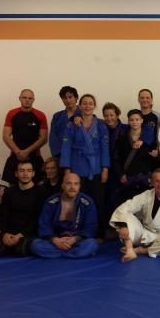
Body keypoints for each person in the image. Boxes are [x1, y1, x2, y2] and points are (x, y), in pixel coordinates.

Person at [110, 167, 160, 263]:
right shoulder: (147, 195)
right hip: (143, 232)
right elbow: (127, 206)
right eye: (157, 181)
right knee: (126, 216)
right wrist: (123, 225)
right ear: (152, 182)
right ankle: (129, 250)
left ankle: (140, 250)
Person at [60, 94, 110, 235]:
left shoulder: (101, 125)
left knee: (98, 201)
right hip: (77, 168)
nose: (88, 106)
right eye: (85, 103)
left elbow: (105, 148)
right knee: (77, 201)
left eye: (90, 103)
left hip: (96, 168)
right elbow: (66, 148)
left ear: (94, 106)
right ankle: (78, 231)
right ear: (80, 106)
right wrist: (67, 169)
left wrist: (105, 168)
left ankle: (98, 233)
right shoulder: (71, 125)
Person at [31, 172, 99, 259]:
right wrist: (55, 240)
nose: (72, 187)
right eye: (69, 183)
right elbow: (44, 224)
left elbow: (91, 227)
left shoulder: (87, 202)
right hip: (56, 240)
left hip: (77, 240)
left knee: (92, 244)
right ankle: (73, 253)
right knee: (35, 245)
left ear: (79, 186)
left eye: (76, 184)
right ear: (62, 185)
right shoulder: (51, 202)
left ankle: (59, 253)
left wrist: (74, 239)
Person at [0, 160, 47, 258]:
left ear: (33, 173)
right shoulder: (9, 192)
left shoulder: (40, 192)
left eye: (29, 170)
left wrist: (20, 235)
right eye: (22, 170)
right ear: (16, 173)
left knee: (21, 250)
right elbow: (3, 215)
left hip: (28, 232)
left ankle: (15, 246)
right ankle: (10, 245)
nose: (25, 174)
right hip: (10, 231)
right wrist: (5, 233)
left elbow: (38, 219)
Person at [2, 88, 48, 185]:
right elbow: (6, 136)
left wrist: (27, 152)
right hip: (15, 156)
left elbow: (44, 138)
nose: (27, 100)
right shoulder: (11, 113)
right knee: (13, 188)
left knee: (37, 188)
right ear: (20, 98)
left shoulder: (40, 115)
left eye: (30, 98)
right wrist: (18, 152)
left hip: (35, 157)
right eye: (24, 97)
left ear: (33, 100)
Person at [114, 109, 158, 202]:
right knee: (128, 205)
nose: (134, 122)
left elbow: (154, 159)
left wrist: (155, 156)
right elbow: (117, 158)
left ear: (142, 121)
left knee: (145, 206)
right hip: (128, 178)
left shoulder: (149, 138)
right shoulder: (122, 137)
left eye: (137, 119)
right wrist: (121, 174)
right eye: (131, 120)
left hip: (145, 180)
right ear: (128, 121)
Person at [48, 85, 79, 159]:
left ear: (76, 98)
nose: (68, 100)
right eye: (64, 98)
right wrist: (58, 155)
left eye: (70, 97)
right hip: (61, 155)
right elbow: (53, 138)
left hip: (80, 155)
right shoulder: (57, 116)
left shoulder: (85, 115)